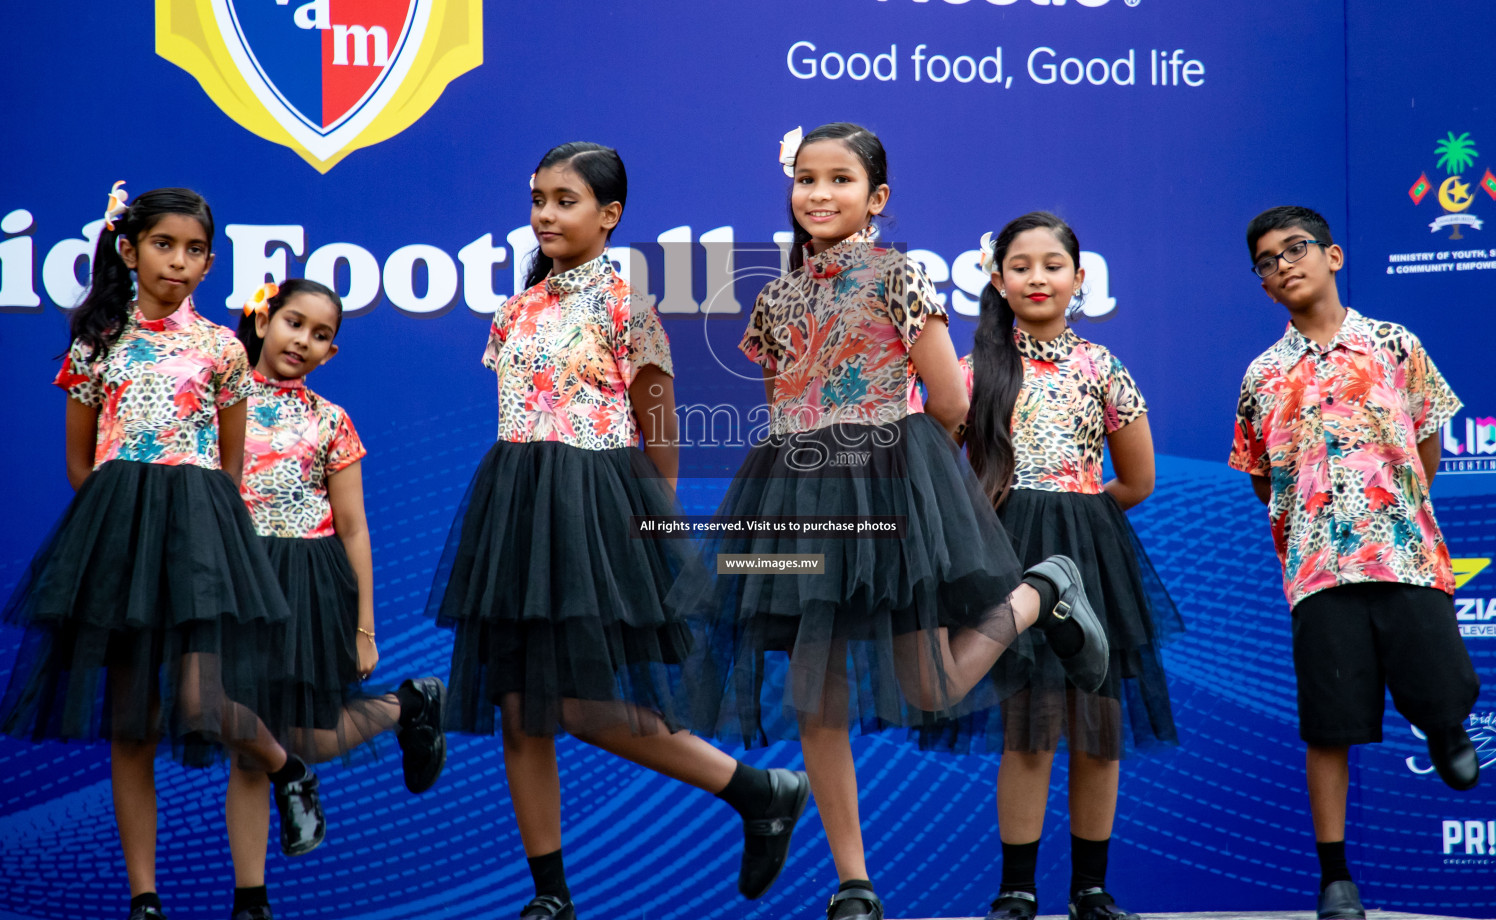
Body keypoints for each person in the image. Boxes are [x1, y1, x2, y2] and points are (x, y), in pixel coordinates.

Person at [678, 124, 1110, 920]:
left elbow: (948, 402)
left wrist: (890, 463)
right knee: (817, 692)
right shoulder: (774, 298)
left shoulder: (898, 276)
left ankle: (1038, 595)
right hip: (797, 492)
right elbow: (780, 403)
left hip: (887, 486)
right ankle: (854, 882)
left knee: (933, 683)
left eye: (839, 180)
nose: (818, 194)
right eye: (806, 179)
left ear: (875, 199)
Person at [430, 143, 810, 920]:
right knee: (516, 702)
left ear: (609, 216)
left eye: (565, 200)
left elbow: (658, 422)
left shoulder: (626, 305)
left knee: (575, 704)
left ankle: (755, 789)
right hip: (515, 510)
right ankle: (551, 896)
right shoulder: (513, 312)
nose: (544, 214)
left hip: (598, 509)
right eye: (537, 198)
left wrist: (655, 529)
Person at [0, 185, 324, 920]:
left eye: (195, 249)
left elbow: (230, 465)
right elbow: (81, 464)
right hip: (117, 537)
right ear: (129, 250)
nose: (179, 261)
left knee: (199, 698)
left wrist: (195, 526)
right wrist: (121, 523)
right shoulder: (96, 346)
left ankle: (288, 766)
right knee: (131, 722)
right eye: (164, 245)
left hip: (199, 535)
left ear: (210, 263)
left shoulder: (220, 349)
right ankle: (145, 898)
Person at [1229, 206, 1480, 920]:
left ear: (1333, 256)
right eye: (1268, 260)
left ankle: (1445, 725)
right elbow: (1260, 476)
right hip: (1317, 572)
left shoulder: (1395, 345)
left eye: (1297, 249)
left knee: (1441, 680)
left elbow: (1427, 444)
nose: (1285, 265)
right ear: (1263, 283)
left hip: (1402, 555)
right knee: (1329, 724)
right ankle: (1335, 877)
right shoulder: (1260, 376)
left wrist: (1392, 509)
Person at [948, 214, 1180, 920]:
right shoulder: (971, 371)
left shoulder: (1103, 367)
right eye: (1021, 265)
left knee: (1097, 728)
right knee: (1028, 725)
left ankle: (1091, 891)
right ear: (996, 279)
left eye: (1054, 265)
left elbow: (1135, 480)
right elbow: (944, 474)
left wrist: (1078, 520)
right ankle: (1016, 890)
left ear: (1081, 280)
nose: (1038, 277)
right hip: (1006, 557)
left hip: (1091, 557)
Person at [225, 277, 448, 920]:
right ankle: (251, 902)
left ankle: (407, 706)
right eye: (295, 323)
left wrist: (364, 628)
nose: (304, 340)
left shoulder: (330, 421)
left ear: (331, 353)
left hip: (308, 583)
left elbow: (353, 528)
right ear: (264, 321)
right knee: (248, 743)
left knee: (305, 737)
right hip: (236, 582)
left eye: (321, 335)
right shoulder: (216, 405)